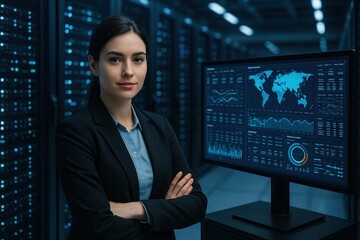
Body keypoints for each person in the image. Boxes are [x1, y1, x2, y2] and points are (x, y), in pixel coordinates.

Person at [56, 15, 207, 240]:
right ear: (93, 65)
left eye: (138, 59)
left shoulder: (159, 125)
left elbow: (197, 204)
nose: (128, 71)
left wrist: (137, 208)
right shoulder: (76, 132)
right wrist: (162, 213)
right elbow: (98, 227)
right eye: (115, 60)